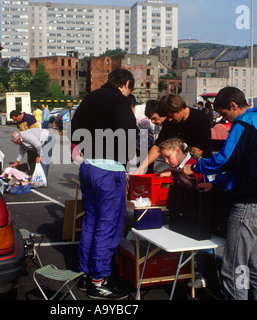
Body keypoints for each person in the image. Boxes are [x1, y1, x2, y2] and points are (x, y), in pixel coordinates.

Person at [183, 86, 257, 300]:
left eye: (225, 113)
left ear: (234, 106)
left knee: (235, 268)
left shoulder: (242, 123)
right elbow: (241, 166)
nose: (225, 119)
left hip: (246, 207)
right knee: (252, 267)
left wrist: (195, 167)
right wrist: (216, 185)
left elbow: (224, 159)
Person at [70, 68, 137, 300]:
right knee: (108, 226)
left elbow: (74, 131)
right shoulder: (120, 101)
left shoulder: (89, 98)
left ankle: (86, 274)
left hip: (88, 166)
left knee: (91, 221)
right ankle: (99, 281)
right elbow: (129, 135)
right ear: (127, 83)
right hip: (109, 170)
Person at [133, 94, 212, 175]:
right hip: (181, 168)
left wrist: (174, 171)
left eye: (171, 116)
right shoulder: (170, 122)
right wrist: (142, 168)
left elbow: (197, 151)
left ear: (180, 108)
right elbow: (158, 145)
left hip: (201, 168)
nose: (169, 119)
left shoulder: (199, 118)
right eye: (167, 117)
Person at [10, 110, 41, 175]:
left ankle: (38, 174)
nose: (15, 121)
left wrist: (39, 155)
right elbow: (21, 149)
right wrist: (17, 162)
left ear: (18, 115)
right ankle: (33, 173)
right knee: (30, 159)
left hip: (35, 140)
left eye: (15, 119)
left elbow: (36, 130)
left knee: (36, 159)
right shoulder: (18, 122)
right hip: (26, 140)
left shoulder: (29, 118)